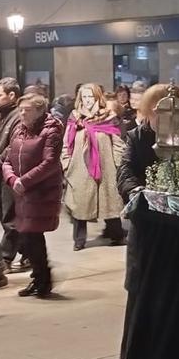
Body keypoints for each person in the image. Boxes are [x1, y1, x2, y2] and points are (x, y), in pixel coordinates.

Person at [102, 84, 179, 359]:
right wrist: (137, 192)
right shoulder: (137, 137)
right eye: (159, 111)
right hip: (147, 224)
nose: (165, 118)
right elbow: (125, 171)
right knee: (138, 289)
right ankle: (132, 357)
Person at [0, 94, 63, 298]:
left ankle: (43, 280)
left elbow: (50, 162)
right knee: (27, 236)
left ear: (39, 111)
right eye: (20, 110)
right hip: (21, 191)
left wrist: (24, 181)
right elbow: (8, 158)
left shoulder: (51, 130)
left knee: (32, 236)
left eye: (26, 110)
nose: (22, 114)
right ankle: (39, 278)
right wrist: (12, 179)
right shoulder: (20, 129)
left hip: (40, 191)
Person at [63, 83, 125, 248]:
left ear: (98, 97)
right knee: (80, 203)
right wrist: (66, 163)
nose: (88, 100)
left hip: (106, 167)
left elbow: (117, 142)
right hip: (80, 168)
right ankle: (79, 240)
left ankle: (117, 234)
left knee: (109, 200)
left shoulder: (108, 117)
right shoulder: (75, 118)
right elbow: (66, 143)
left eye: (91, 96)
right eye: (84, 97)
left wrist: (118, 164)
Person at [0, 78, 23, 267]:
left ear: (12, 95)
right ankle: (28, 253)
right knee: (3, 214)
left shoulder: (19, 116)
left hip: (11, 172)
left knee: (10, 216)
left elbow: (14, 145)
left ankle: (6, 256)